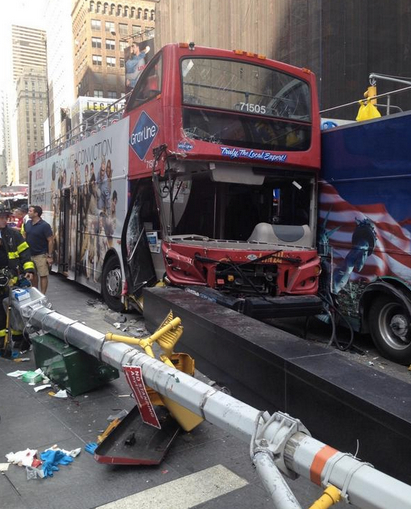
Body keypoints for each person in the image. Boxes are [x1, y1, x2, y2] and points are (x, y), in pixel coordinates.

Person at [0, 203, 35, 352]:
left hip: (13, 280)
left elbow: (25, 254)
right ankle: (2, 342)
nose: (4, 220)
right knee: (1, 313)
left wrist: (29, 269)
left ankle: (20, 340)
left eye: (5, 217)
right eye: (1, 218)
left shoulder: (14, 235)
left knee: (16, 311)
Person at [23, 205, 54, 295]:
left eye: (30, 211)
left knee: (43, 275)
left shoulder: (44, 226)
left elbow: (50, 240)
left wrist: (49, 256)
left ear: (36, 213)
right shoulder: (27, 223)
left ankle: (43, 295)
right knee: (33, 275)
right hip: (29, 254)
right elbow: (25, 236)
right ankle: (36, 293)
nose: (28, 212)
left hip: (41, 254)